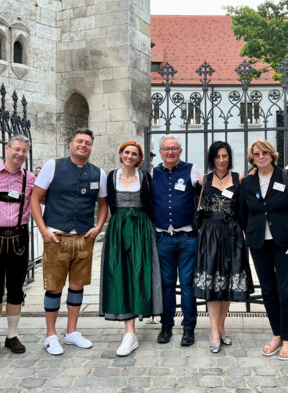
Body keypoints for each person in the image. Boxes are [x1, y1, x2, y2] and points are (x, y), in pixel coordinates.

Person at [31, 128, 109, 356]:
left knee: (77, 286)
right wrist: (44, 231)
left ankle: (72, 332)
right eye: (79, 141)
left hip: (84, 237)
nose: (83, 145)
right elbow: (34, 199)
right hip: (56, 235)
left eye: (87, 142)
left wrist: (98, 227)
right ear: (70, 144)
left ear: (91, 147)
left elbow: (103, 204)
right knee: (54, 287)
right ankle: (50, 335)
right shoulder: (52, 166)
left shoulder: (99, 173)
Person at [239, 139, 288, 361]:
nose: (261, 157)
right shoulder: (247, 182)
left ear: (272, 155)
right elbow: (242, 213)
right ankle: (276, 335)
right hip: (259, 243)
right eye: (256, 154)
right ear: (252, 157)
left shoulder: (287, 177)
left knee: (285, 291)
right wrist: (250, 231)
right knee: (268, 290)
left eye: (264, 153)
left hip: (285, 243)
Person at [99, 141, 162, 356]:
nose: (129, 156)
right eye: (126, 152)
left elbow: (153, 203)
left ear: (139, 158)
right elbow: (104, 205)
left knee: (140, 273)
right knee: (119, 275)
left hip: (142, 228)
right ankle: (129, 332)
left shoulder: (145, 177)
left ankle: (134, 328)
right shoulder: (111, 176)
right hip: (118, 229)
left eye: (134, 154)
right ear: (121, 154)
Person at [0, 134, 36, 358]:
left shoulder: (30, 178)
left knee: (16, 287)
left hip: (19, 237)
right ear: (7, 149)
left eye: (24, 151)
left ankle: (12, 335)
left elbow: (46, 199)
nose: (20, 154)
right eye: (17, 149)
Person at [193, 141, 253, 353]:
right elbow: (193, 205)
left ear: (229, 157)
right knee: (212, 283)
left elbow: (248, 205)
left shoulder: (240, 179)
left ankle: (222, 326)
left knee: (227, 282)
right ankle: (214, 331)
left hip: (232, 234)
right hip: (209, 234)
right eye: (217, 156)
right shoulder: (203, 180)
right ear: (212, 158)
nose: (221, 160)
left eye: (225, 156)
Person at [151, 134, 202, 346]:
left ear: (180, 151)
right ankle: (167, 325)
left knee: (188, 284)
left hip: (187, 237)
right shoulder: (153, 173)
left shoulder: (192, 170)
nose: (170, 152)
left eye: (174, 148)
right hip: (163, 237)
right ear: (160, 152)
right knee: (167, 284)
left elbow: (206, 190)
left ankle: (189, 328)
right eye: (166, 148)